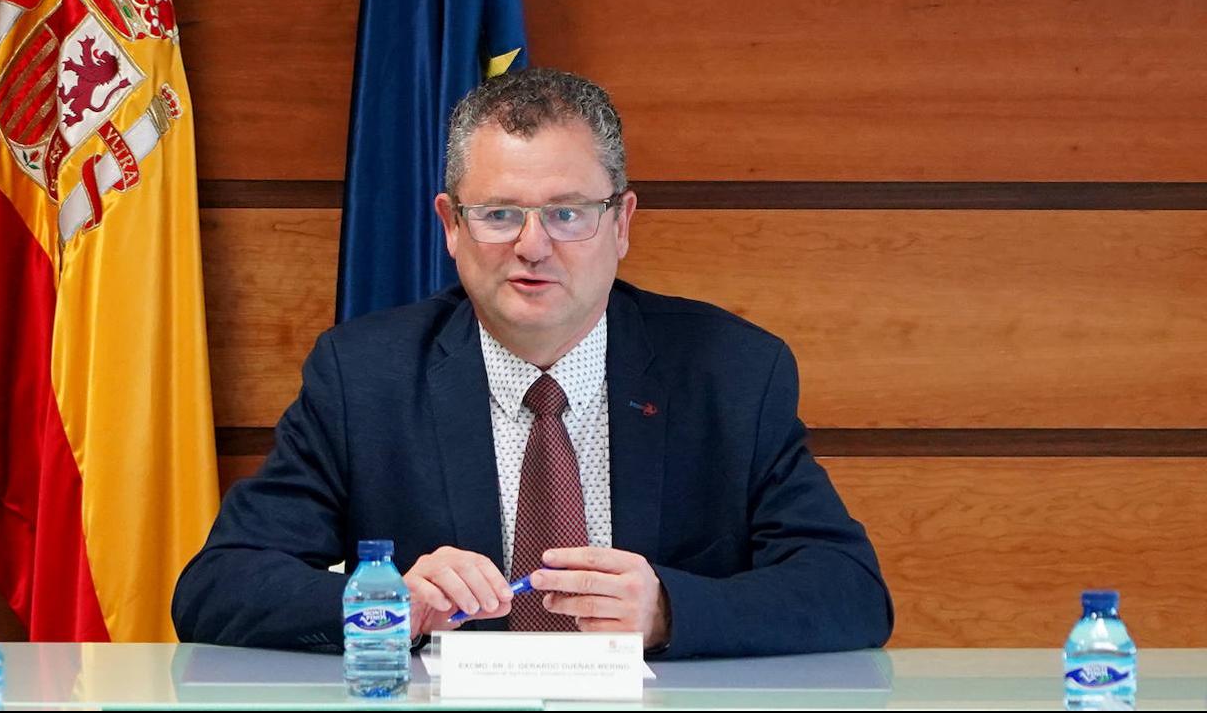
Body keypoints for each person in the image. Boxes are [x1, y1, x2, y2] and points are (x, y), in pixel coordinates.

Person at [172, 68, 893, 657]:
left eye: (567, 213)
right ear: (451, 226)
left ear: (621, 223)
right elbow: (217, 588)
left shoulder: (732, 371)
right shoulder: (364, 377)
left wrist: (668, 612)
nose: (532, 246)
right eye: (499, 214)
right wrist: (392, 604)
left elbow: (850, 590)